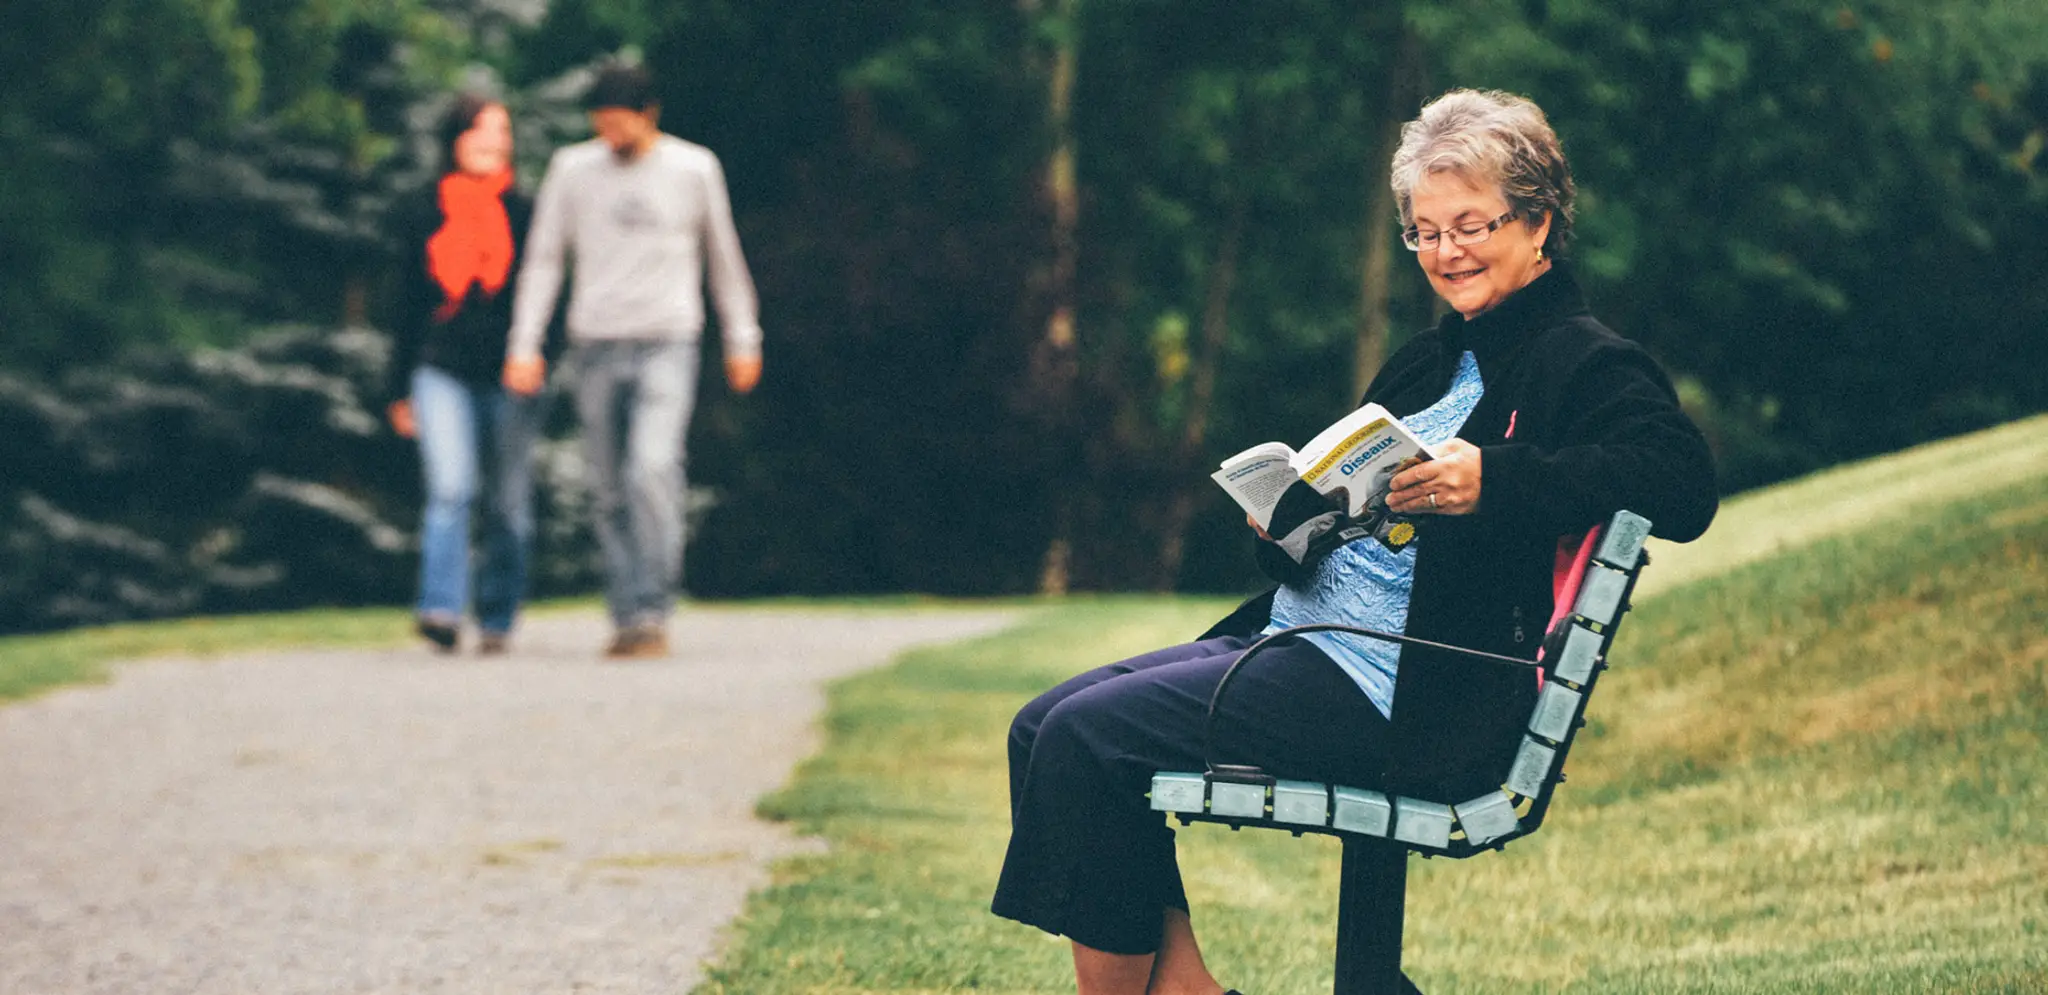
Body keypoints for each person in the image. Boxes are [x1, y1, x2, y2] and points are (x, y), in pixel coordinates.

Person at [991, 89, 1720, 995]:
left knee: (1086, 741)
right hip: (1300, 645)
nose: (1446, 253)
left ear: (1536, 223)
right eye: (1425, 232)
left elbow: (1682, 483)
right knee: (1041, 728)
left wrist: (1493, 479)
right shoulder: (1429, 360)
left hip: (1399, 682)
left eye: (1471, 226)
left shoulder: (1587, 359)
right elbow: (1340, 522)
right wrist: (1285, 521)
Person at [501, 62, 764, 659]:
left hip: (667, 338)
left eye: (619, 124)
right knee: (608, 488)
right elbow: (544, 260)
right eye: (600, 126)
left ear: (649, 116)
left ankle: (652, 606)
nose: (610, 137)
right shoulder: (573, 171)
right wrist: (525, 343)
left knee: (652, 467)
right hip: (594, 341)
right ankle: (625, 611)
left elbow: (722, 256)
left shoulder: (694, 169)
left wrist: (743, 337)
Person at [385, 94, 547, 655]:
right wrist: (398, 389)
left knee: (507, 506)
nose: (493, 140)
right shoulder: (422, 211)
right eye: (481, 130)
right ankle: (441, 609)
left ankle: (498, 615)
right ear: (454, 139)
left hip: (509, 374)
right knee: (451, 488)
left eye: (501, 131)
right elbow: (405, 306)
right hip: (440, 370)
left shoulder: (527, 213)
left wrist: (539, 355)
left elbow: (546, 292)